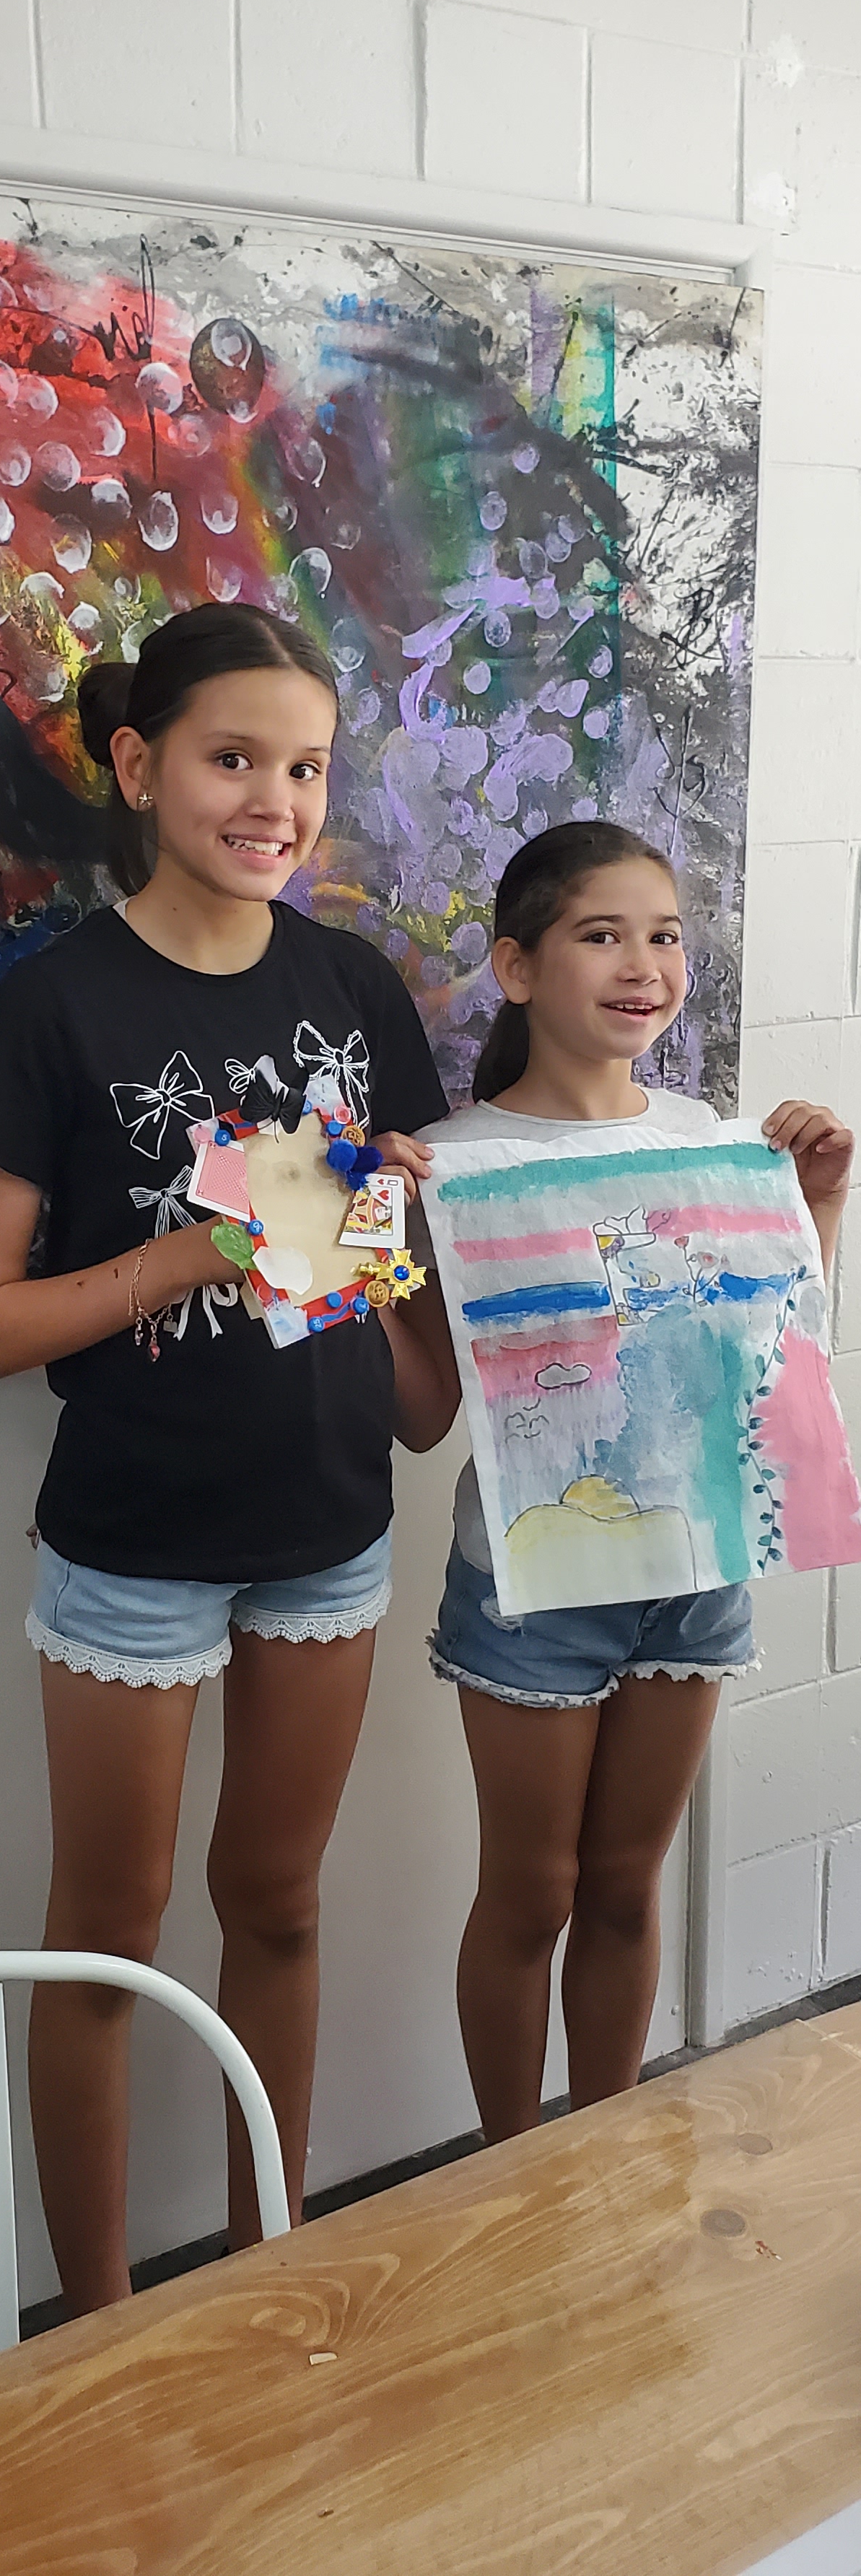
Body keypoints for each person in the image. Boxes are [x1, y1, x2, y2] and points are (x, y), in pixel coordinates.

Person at [0, 601, 456, 2313]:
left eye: (304, 769)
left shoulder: (353, 989)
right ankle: (92, 2331)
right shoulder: (55, 1007)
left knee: (281, 1905)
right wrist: (194, 1252)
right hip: (133, 1541)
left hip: (332, 1523)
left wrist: (410, 1262)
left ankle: (262, 2277)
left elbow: (391, 1319)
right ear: (138, 765)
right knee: (106, 1940)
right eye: (235, 760)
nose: (274, 803)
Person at [396, 818, 854, 2144]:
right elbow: (422, 1417)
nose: (643, 964)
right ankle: (508, 2178)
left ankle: (600, 2159)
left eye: (664, 936)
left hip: (697, 1576)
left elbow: (773, 1357)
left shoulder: (712, 1137)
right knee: (530, 1895)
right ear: (518, 967)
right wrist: (362, 1256)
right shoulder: (451, 1163)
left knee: (624, 1889)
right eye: (602, 935)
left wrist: (819, 1204)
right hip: (532, 1588)